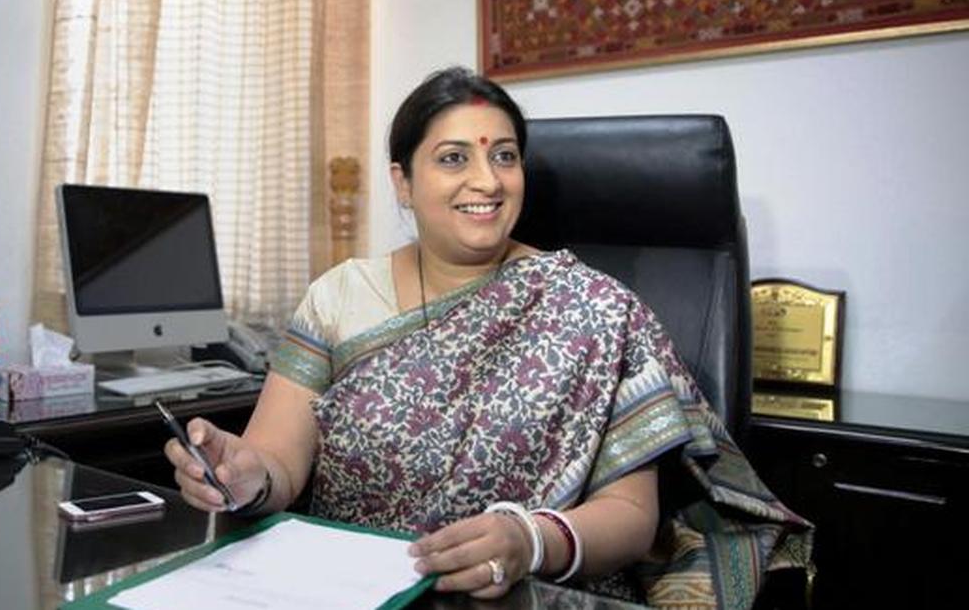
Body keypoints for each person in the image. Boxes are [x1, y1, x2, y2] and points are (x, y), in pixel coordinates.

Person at [165, 66, 811, 608]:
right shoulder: (338, 296)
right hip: (350, 590)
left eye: (504, 155)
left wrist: (529, 540)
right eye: (454, 158)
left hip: (526, 593)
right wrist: (244, 474)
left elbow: (631, 517)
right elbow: (278, 463)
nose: (488, 180)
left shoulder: (595, 308)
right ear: (403, 182)